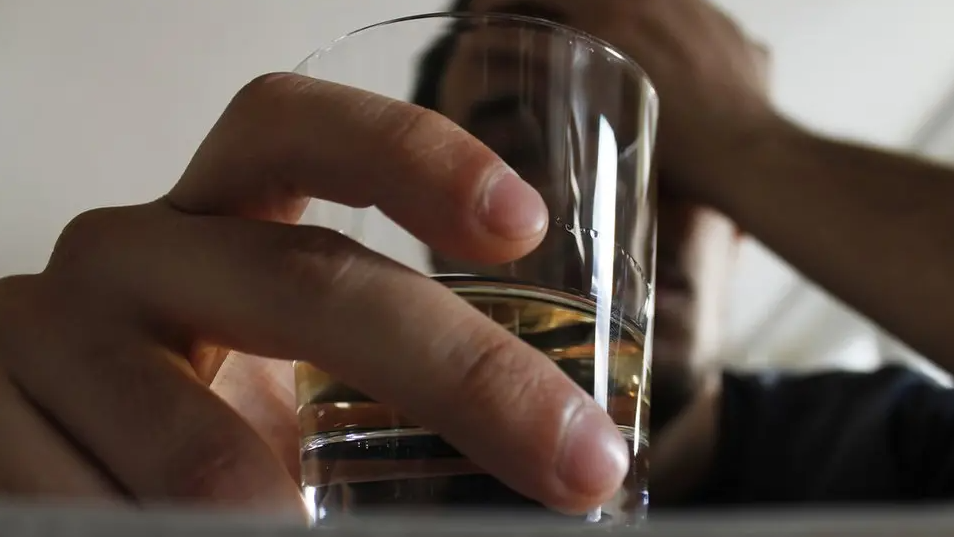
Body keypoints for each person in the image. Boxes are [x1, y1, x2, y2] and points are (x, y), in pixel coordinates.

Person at [2, 0, 954, 518]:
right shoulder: (345, 466)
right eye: (525, 146)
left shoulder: (896, 440)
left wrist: (753, 139)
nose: (626, 220)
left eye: (678, 156)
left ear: (748, 223)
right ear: (433, 216)